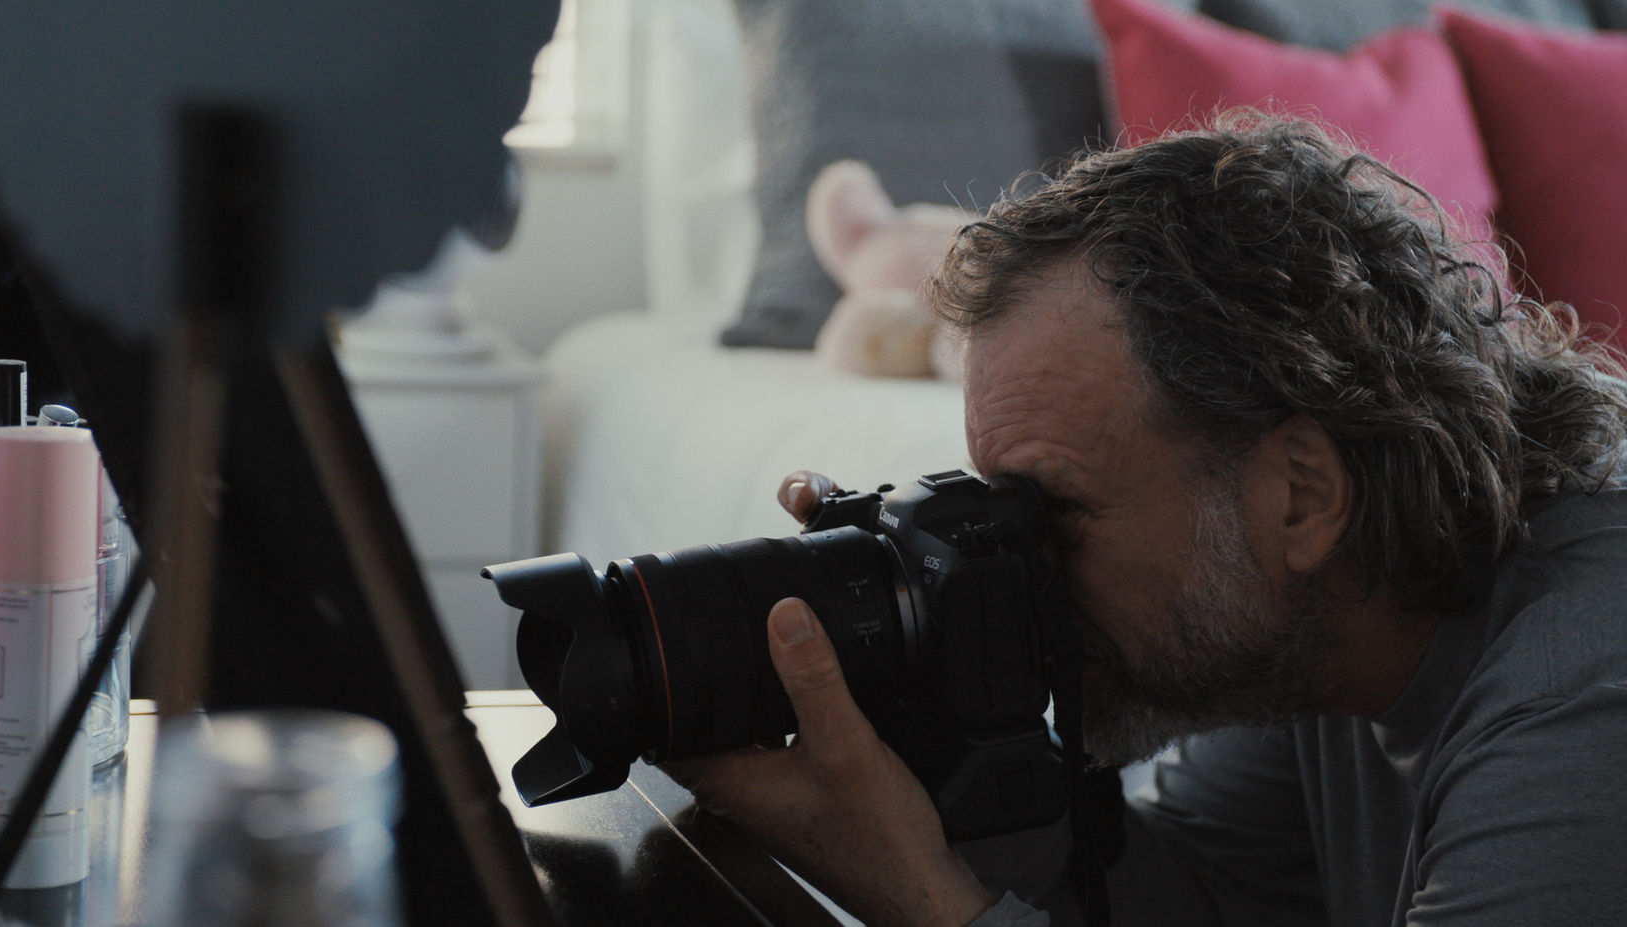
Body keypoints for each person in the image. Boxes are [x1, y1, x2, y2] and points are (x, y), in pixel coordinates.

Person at [665, 111, 1627, 926]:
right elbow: (1197, 899)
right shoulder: (1327, 618)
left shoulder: (1582, 692)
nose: (1016, 563)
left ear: (1301, 493)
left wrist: (923, 898)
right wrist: (938, 753)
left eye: (1055, 511)